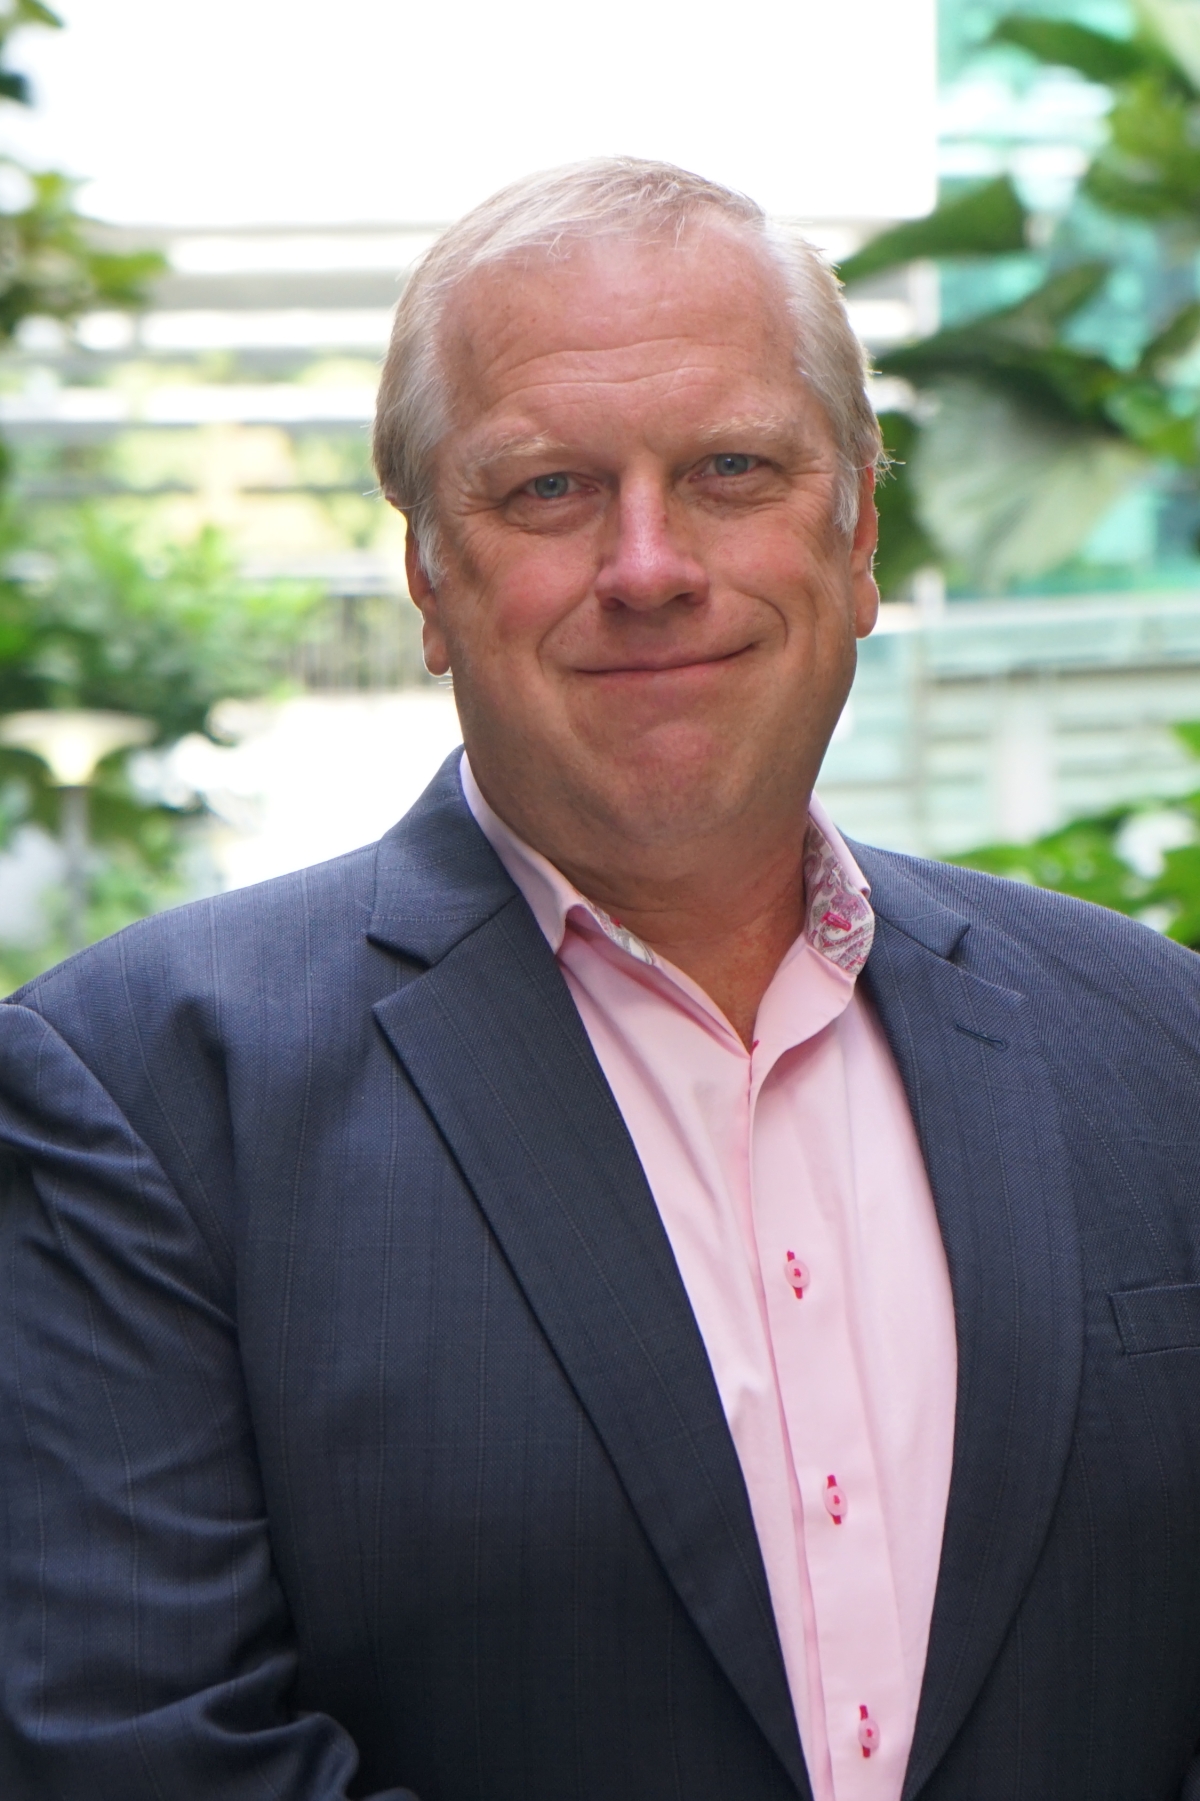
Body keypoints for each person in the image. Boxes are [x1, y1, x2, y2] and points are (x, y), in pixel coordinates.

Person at [0, 157, 1198, 1801]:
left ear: (855, 538)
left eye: (730, 468)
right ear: (430, 578)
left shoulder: (1157, 1036)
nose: (649, 564)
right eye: (550, 489)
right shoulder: (142, 1090)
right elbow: (146, 1757)